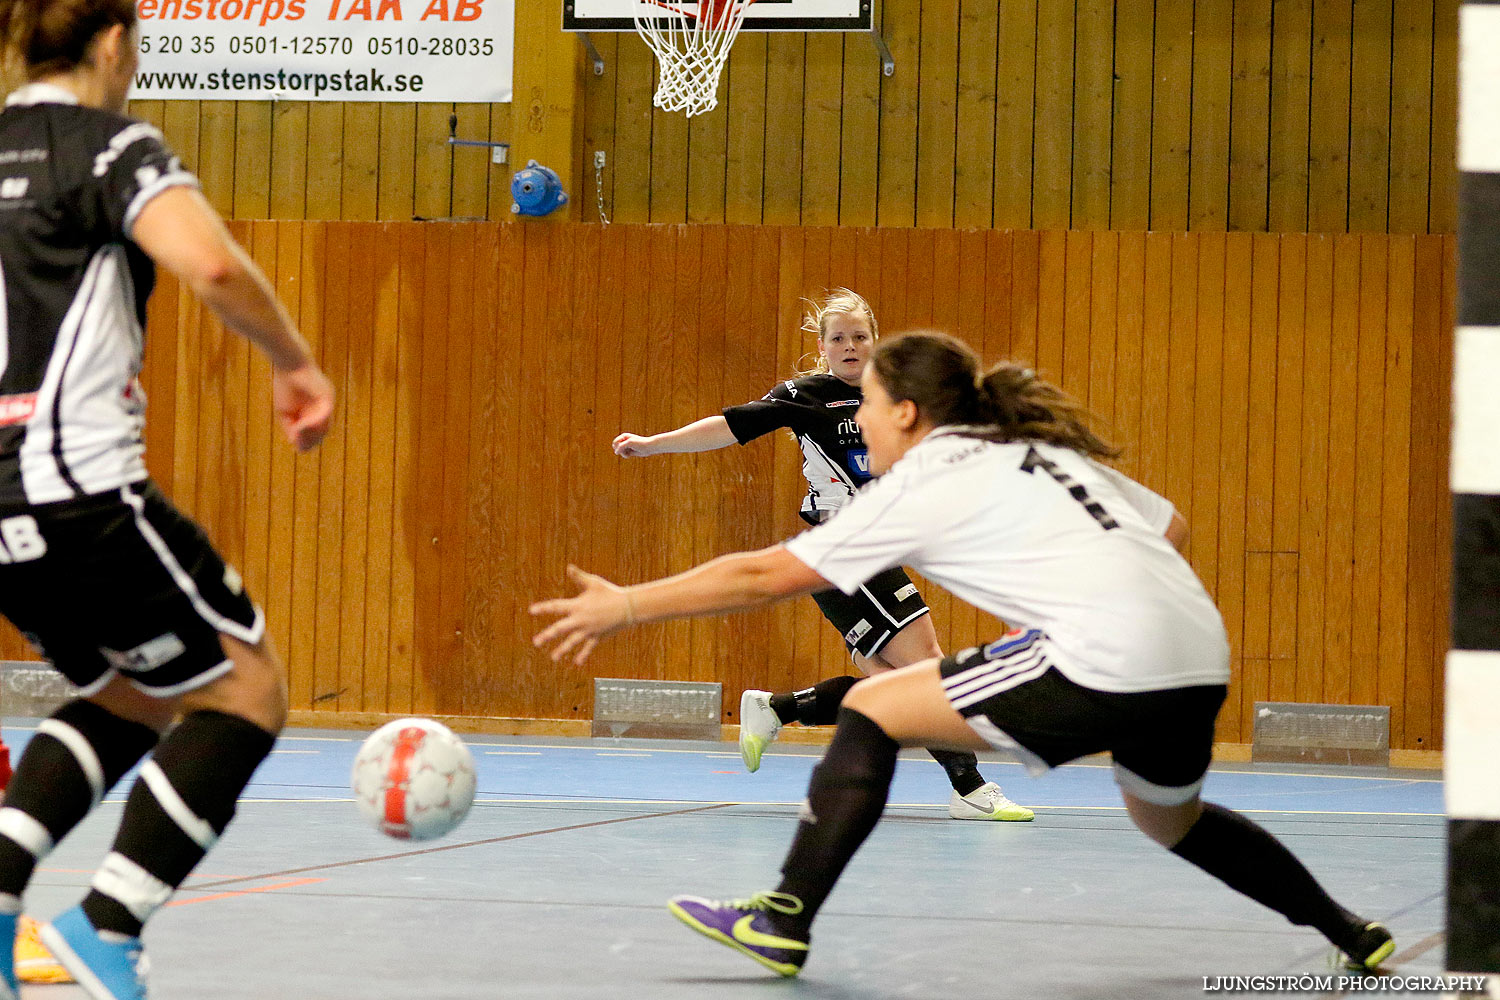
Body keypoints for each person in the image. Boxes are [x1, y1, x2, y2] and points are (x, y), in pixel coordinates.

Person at [533, 331, 1395, 979]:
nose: (858, 417)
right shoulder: (1036, 451)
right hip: (1197, 649)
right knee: (1169, 818)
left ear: (906, 413)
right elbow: (1169, 524)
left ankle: (783, 918)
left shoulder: (927, 476)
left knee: (873, 706)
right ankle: (1349, 930)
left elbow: (765, 575)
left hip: (1108, 654)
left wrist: (629, 603)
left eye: (866, 402)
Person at [0, 4, 335, 998]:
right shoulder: (107, 146)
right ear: (112, 45)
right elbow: (213, 263)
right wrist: (295, 363)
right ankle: (106, 924)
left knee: (136, 688)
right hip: (79, 488)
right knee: (246, 686)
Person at [611, 289, 1030, 821]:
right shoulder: (806, 395)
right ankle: (971, 789)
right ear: (823, 347)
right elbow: (730, 425)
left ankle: (778, 708)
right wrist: (654, 443)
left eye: (859, 336)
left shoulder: (899, 397)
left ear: (876, 342)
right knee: (926, 669)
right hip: (843, 550)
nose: (850, 346)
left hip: (873, 548)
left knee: (892, 685)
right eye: (838, 338)